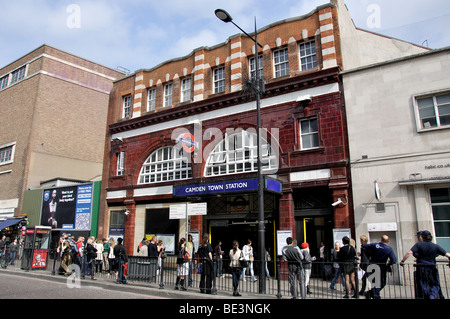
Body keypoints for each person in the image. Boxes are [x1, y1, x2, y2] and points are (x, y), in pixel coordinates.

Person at [400, 230, 450, 299]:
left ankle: (427, 296)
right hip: (432, 267)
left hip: (421, 267)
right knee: (435, 284)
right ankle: (432, 296)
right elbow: (448, 255)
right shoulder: (435, 246)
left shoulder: (418, 245)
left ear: (422, 237)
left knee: (424, 284)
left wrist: (402, 261)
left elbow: (409, 253)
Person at [362, 234, 397, 299]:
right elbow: (394, 260)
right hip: (382, 267)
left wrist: (369, 255)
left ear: (381, 239)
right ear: (388, 241)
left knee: (377, 283)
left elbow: (364, 246)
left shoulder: (375, 245)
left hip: (372, 266)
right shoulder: (389, 249)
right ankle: (376, 295)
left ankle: (370, 293)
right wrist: (389, 264)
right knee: (382, 283)